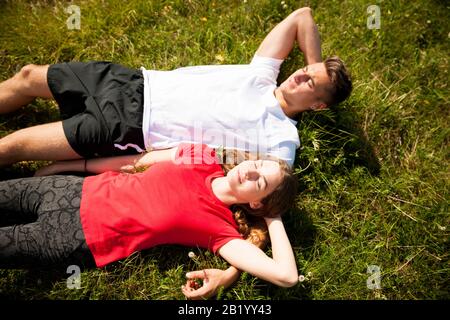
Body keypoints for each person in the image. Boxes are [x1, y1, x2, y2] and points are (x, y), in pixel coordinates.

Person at [0, 7, 352, 168]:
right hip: (131, 81)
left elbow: (278, 181)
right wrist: (316, 65)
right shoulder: (262, 74)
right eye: (304, 70)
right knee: (29, 75)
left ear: (319, 106)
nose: (300, 75)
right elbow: (301, 15)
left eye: (310, 82)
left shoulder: (281, 137)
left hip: (127, 129)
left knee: (13, 147)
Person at [0, 143, 299, 299]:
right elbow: (134, 163)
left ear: (256, 202)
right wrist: (67, 167)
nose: (250, 172)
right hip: (70, 189)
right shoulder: (202, 156)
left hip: (76, 236)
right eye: (257, 165)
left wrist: (273, 217)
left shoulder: (220, 231)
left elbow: (286, 276)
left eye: (259, 183)